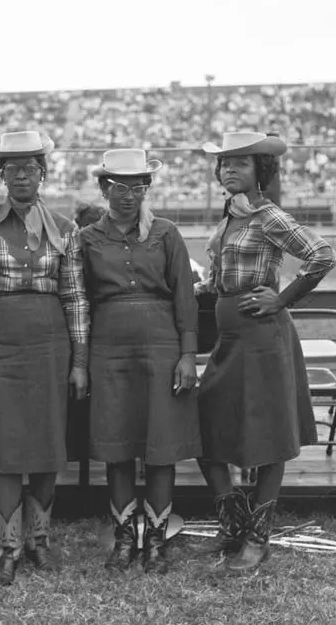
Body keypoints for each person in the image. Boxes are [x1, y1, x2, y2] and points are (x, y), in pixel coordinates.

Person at [196, 132, 336, 572]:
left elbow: (322, 254)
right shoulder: (230, 218)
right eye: (224, 164)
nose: (229, 170)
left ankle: (258, 537)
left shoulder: (267, 215)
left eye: (239, 163)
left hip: (263, 338)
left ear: (261, 170)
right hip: (230, 339)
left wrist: (283, 298)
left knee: (268, 436)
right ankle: (233, 521)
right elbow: (224, 279)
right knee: (204, 426)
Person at [0, 131, 89, 586]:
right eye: (11, 168)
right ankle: (8, 546)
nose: (20, 176)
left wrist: (78, 361)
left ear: (42, 174)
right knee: (7, 447)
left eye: (29, 168)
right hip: (1, 346)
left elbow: (74, 297)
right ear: (1, 174)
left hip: (51, 347)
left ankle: (40, 540)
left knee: (49, 444)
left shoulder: (65, 228)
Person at [79, 149, 200, 574]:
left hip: (162, 347)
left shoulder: (166, 233)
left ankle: (158, 543)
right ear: (104, 188)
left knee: (160, 448)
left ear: (147, 188)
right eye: (119, 186)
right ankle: (124, 539)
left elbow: (185, 296)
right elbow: (81, 302)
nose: (129, 195)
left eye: (138, 186)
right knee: (118, 447)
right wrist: (83, 360)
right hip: (108, 349)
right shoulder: (89, 238)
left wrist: (187, 355)